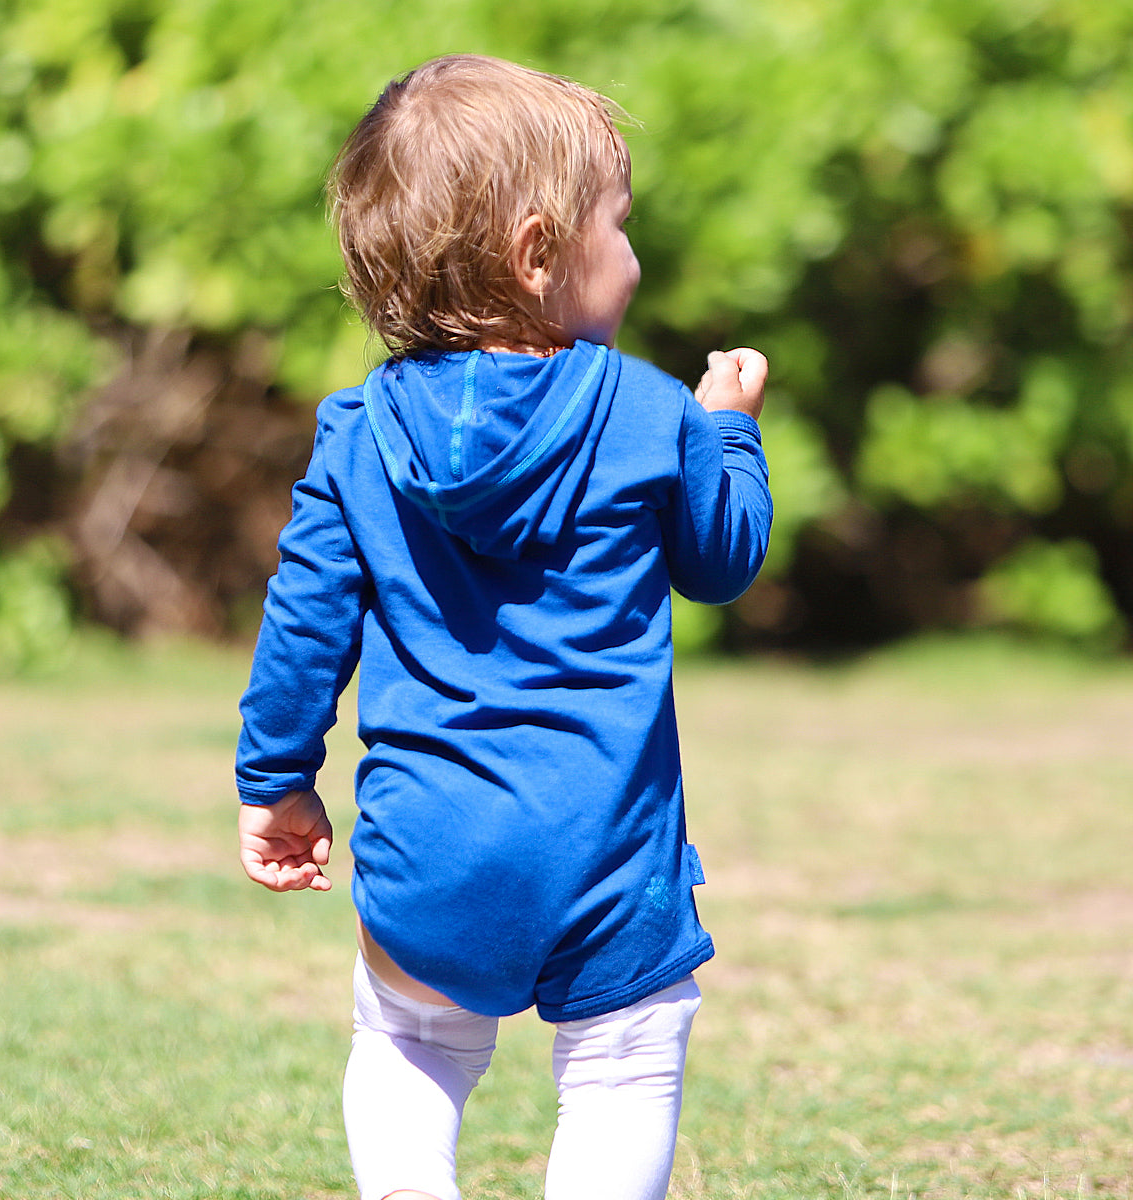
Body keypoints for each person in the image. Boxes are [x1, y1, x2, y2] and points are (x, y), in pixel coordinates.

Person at [235, 53, 772, 1200]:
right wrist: (728, 430)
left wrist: (275, 782)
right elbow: (723, 562)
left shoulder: (357, 433)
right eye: (619, 225)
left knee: (411, 1044)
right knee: (623, 1069)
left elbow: (302, 627)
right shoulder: (649, 413)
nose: (634, 255)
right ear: (538, 254)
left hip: (428, 844)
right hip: (609, 848)